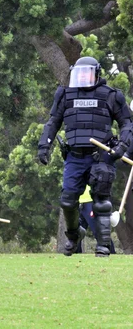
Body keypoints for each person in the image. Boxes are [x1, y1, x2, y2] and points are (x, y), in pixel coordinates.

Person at [38, 56, 132, 257]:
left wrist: (123, 145)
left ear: (97, 74)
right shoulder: (65, 95)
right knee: (67, 200)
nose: (82, 77)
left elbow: (126, 123)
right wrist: (43, 146)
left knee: (101, 200)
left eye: (86, 73)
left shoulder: (111, 96)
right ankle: (74, 235)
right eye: (78, 73)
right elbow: (53, 122)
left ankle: (103, 245)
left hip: (102, 155)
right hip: (75, 156)